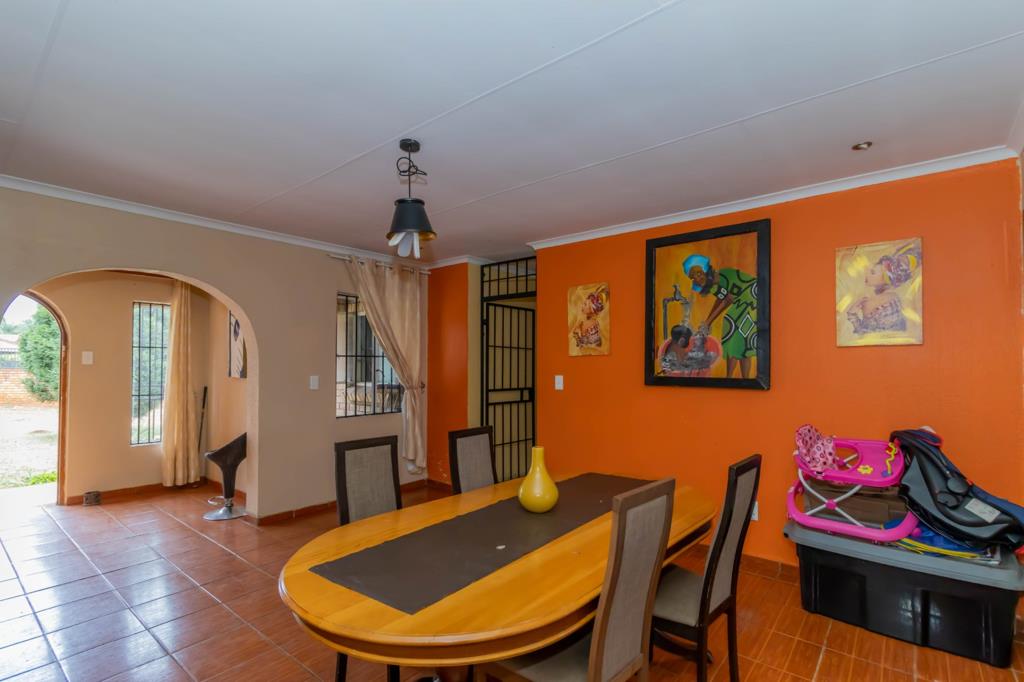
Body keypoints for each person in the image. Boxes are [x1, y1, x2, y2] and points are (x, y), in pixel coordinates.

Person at [683, 254, 757, 379]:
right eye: (693, 277)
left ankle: (733, 378)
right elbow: (721, 299)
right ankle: (734, 378)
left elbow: (728, 300)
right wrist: (708, 321)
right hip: (744, 301)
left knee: (732, 327)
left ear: (705, 269)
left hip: (752, 297)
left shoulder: (719, 277)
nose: (697, 278)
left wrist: (708, 322)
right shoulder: (713, 285)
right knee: (739, 341)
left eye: (699, 273)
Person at [846, 242, 921, 335]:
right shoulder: (895, 298)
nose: (867, 273)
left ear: (886, 281)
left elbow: (865, 335)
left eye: (873, 272)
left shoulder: (869, 302)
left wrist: (852, 315)